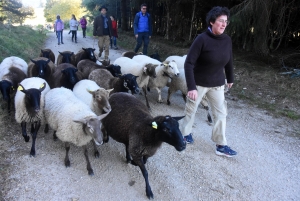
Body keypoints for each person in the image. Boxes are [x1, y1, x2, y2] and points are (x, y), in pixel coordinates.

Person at [179, 6, 237, 157]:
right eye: (220, 21)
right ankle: (185, 134)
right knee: (191, 110)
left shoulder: (227, 40)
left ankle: (221, 145)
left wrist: (230, 77)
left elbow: (229, 59)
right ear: (211, 22)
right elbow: (189, 63)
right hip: (198, 83)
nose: (224, 24)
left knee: (221, 113)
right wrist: (191, 87)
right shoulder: (201, 39)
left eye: (226, 21)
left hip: (217, 83)